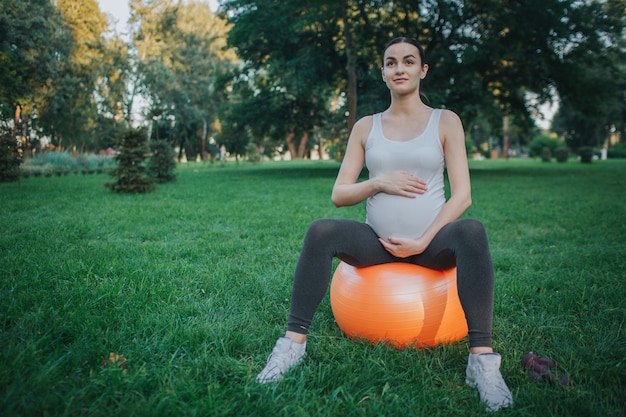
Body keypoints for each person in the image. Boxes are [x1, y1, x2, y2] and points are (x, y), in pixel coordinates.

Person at [256, 36, 514, 412]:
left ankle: (482, 364)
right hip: (377, 242)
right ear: (383, 72)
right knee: (320, 230)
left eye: (409, 62)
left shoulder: (446, 121)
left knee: (472, 230)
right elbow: (339, 193)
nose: (400, 69)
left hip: (432, 244)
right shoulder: (366, 127)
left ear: (422, 71)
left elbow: (463, 196)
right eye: (391, 63)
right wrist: (379, 181)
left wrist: (424, 240)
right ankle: (291, 347)